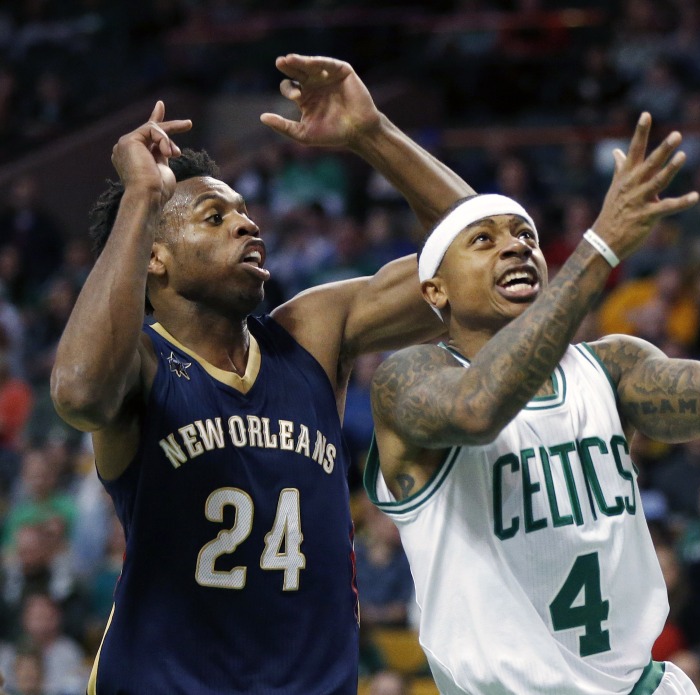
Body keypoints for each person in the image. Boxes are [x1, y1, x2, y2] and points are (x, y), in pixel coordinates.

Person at [363, 106, 700, 694]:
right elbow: (478, 409)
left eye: (526, 236)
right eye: (485, 241)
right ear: (435, 289)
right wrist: (600, 246)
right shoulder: (409, 379)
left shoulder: (609, 366)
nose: (516, 248)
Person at [48, 54, 474, 695]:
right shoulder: (140, 365)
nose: (248, 223)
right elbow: (78, 394)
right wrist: (142, 194)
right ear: (154, 259)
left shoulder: (311, 331)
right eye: (214, 218)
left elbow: (484, 268)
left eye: (244, 212)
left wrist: (373, 134)